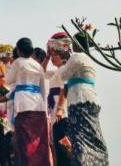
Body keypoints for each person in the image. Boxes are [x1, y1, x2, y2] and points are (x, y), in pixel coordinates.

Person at [59, 31, 109, 165]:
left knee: (80, 138)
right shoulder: (88, 58)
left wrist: (64, 61)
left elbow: (63, 75)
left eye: (74, 42)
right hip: (91, 99)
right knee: (93, 136)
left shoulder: (77, 57)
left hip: (79, 100)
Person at [6, 37, 51, 166]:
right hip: (39, 106)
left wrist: (10, 64)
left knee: (25, 144)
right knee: (38, 144)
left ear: (19, 50)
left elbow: (8, 80)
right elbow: (43, 90)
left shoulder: (18, 62)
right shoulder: (38, 66)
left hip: (23, 105)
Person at [44, 32, 71, 166]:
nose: (54, 57)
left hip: (63, 116)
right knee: (60, 155)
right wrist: (47, 56)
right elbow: (41, 72)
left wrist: (60, 110)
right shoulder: (56, 72)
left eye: (56, 54)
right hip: (56, 117)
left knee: (65, 151)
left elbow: (64, 90)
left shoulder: (65, 70)